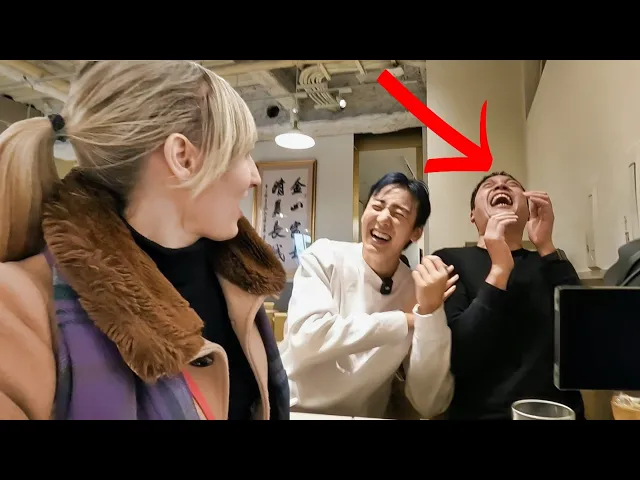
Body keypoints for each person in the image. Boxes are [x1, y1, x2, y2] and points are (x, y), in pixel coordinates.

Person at [0, 60, 290, 420]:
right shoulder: (19, 310)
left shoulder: (239, 281)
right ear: (183, 158)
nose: (254, 176)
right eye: (242, 153)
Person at [279, 172, 456, 419]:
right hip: (293, 409)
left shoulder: (417, 290)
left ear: (415, 233)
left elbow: (429, 402)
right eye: (377, 206)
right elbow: (306, 337)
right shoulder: (325, 257)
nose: (383, 219)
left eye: (398, 214)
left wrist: (430, 313)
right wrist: (404, 320)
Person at [433, 171, 585, 420]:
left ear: (528, 211)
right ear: (472, 215)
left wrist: (546, 245)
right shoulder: (449, 260)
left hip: (559, 413)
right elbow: (461, 356)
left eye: (511, 184)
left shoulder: (550, 263)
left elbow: (585, 341)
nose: (501, 186)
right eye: (489, 185)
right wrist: (499, 270)